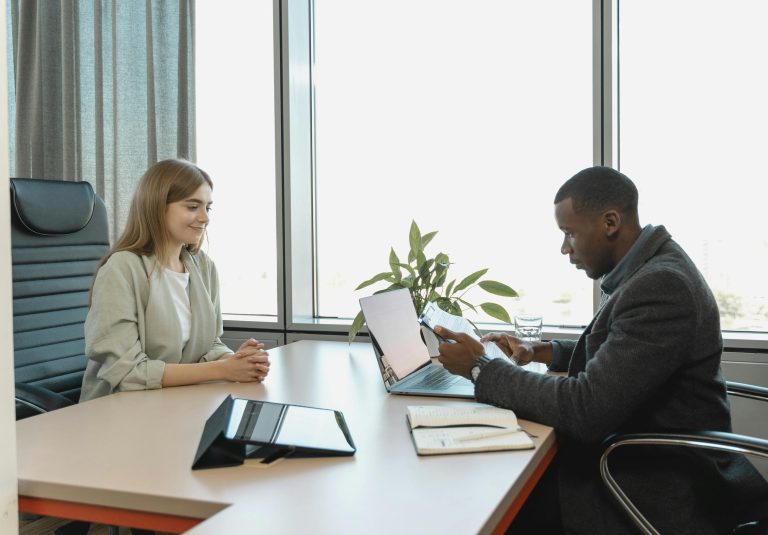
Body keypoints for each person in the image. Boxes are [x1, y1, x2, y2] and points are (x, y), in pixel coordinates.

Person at [435, 166, 768, 534]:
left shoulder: (661, 285)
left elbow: (585, 409)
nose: (565, 248)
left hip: (655, 484)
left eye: (570, 233)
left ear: (610, 222)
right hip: (647, 460)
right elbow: (621, 347)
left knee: (492, 503)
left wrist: (481, 368)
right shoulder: (653, 267)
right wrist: (543, 350)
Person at [80, 159, 270, 401]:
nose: (205, 218)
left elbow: (209, 345)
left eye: (207, 208)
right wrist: (223, 369)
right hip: (118, 412)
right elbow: (128, 373)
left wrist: (236, 361)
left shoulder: (203, 267)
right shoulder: (121, 269)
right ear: (157, 207)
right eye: (192, 207)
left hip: (174, 404)